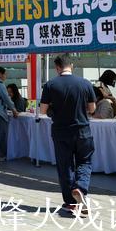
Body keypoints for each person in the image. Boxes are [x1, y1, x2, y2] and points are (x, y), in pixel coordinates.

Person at [39, 54, 97, 215]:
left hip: (61, 131)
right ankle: (80, 188)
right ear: (71, 65)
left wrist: (54, 110)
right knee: (85, 161)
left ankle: (70, 203)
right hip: (83, 130)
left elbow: (42, 110)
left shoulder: (50, 85)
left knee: (65, 166)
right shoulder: (85, 83)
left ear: (57, 67)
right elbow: (92, 109)